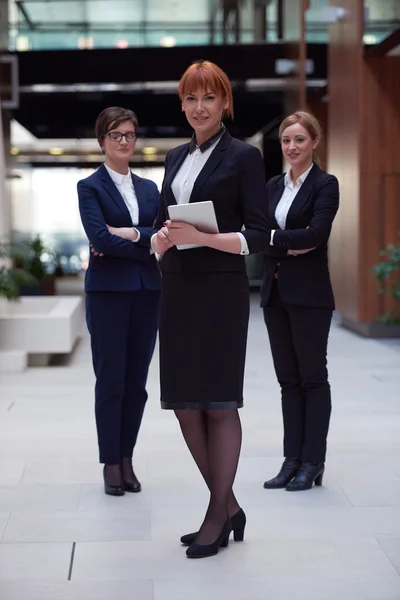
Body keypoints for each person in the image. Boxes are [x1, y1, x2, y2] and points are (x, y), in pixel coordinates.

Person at [152, 60, 269, 559]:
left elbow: (259, 235)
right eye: (191, 99)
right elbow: (163, 220)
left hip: (220, 291)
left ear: (225, 104)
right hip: (178, 289)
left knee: (219, 403)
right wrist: (160, 240)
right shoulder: (176, 157)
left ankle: (217, 514)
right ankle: (230, 505)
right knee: (184, 405)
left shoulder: (244, 156)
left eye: (209, 98)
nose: (199, 108)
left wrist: (205, 238)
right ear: (182, 105)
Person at [78, 107, 161, 496]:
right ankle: (111, 462)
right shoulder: (90, 187)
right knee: (111, 381)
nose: (124, 141)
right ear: (102, 141)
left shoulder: (149, 189)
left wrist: (128, 234)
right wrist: (143, 242)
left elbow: (161, 232)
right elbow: (99, 240)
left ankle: (127, 456)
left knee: (137, 384)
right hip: (108, 295)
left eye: (129, 134)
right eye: (116, 135)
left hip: (147, 291)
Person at [260, 110, 339, 492]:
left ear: (314, 143)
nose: (292, 147)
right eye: (286, 141)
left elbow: (316, 234)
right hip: (275, 292)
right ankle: (291, 460)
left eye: (299, 140)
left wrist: (279, 240)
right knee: (287, 381)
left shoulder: (326, 184)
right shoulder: (273, 185)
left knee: (312, 378)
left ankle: (313, 461)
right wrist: (289, 242)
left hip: (309, 296)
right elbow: (259, 232)